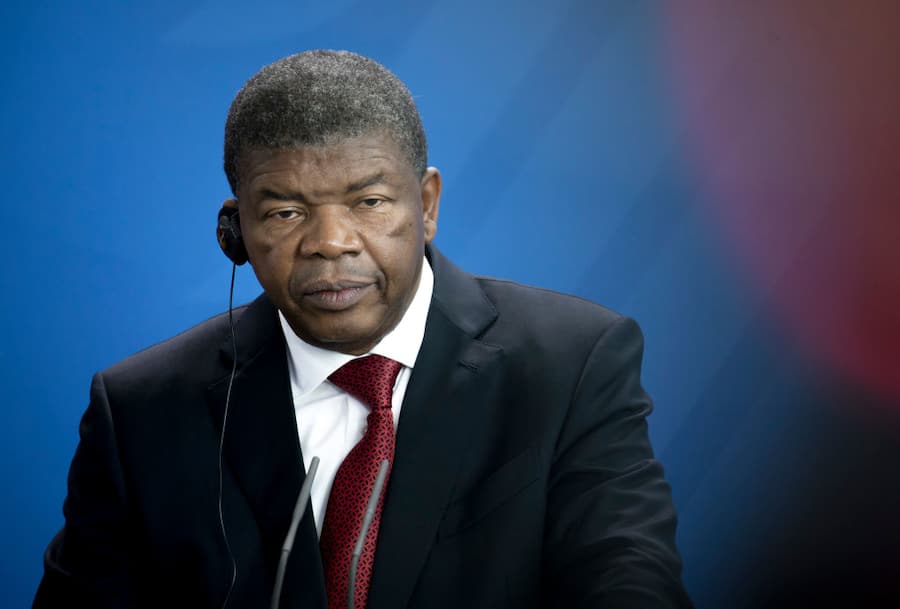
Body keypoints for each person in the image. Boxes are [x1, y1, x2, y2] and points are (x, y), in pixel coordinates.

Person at [33, 50, 693, 609]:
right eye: (286, 212)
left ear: (426, 204)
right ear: (235, 230)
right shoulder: (143, 411)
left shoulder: (571, 362)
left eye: (369, 201)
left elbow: (629, 580)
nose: (330, 242)